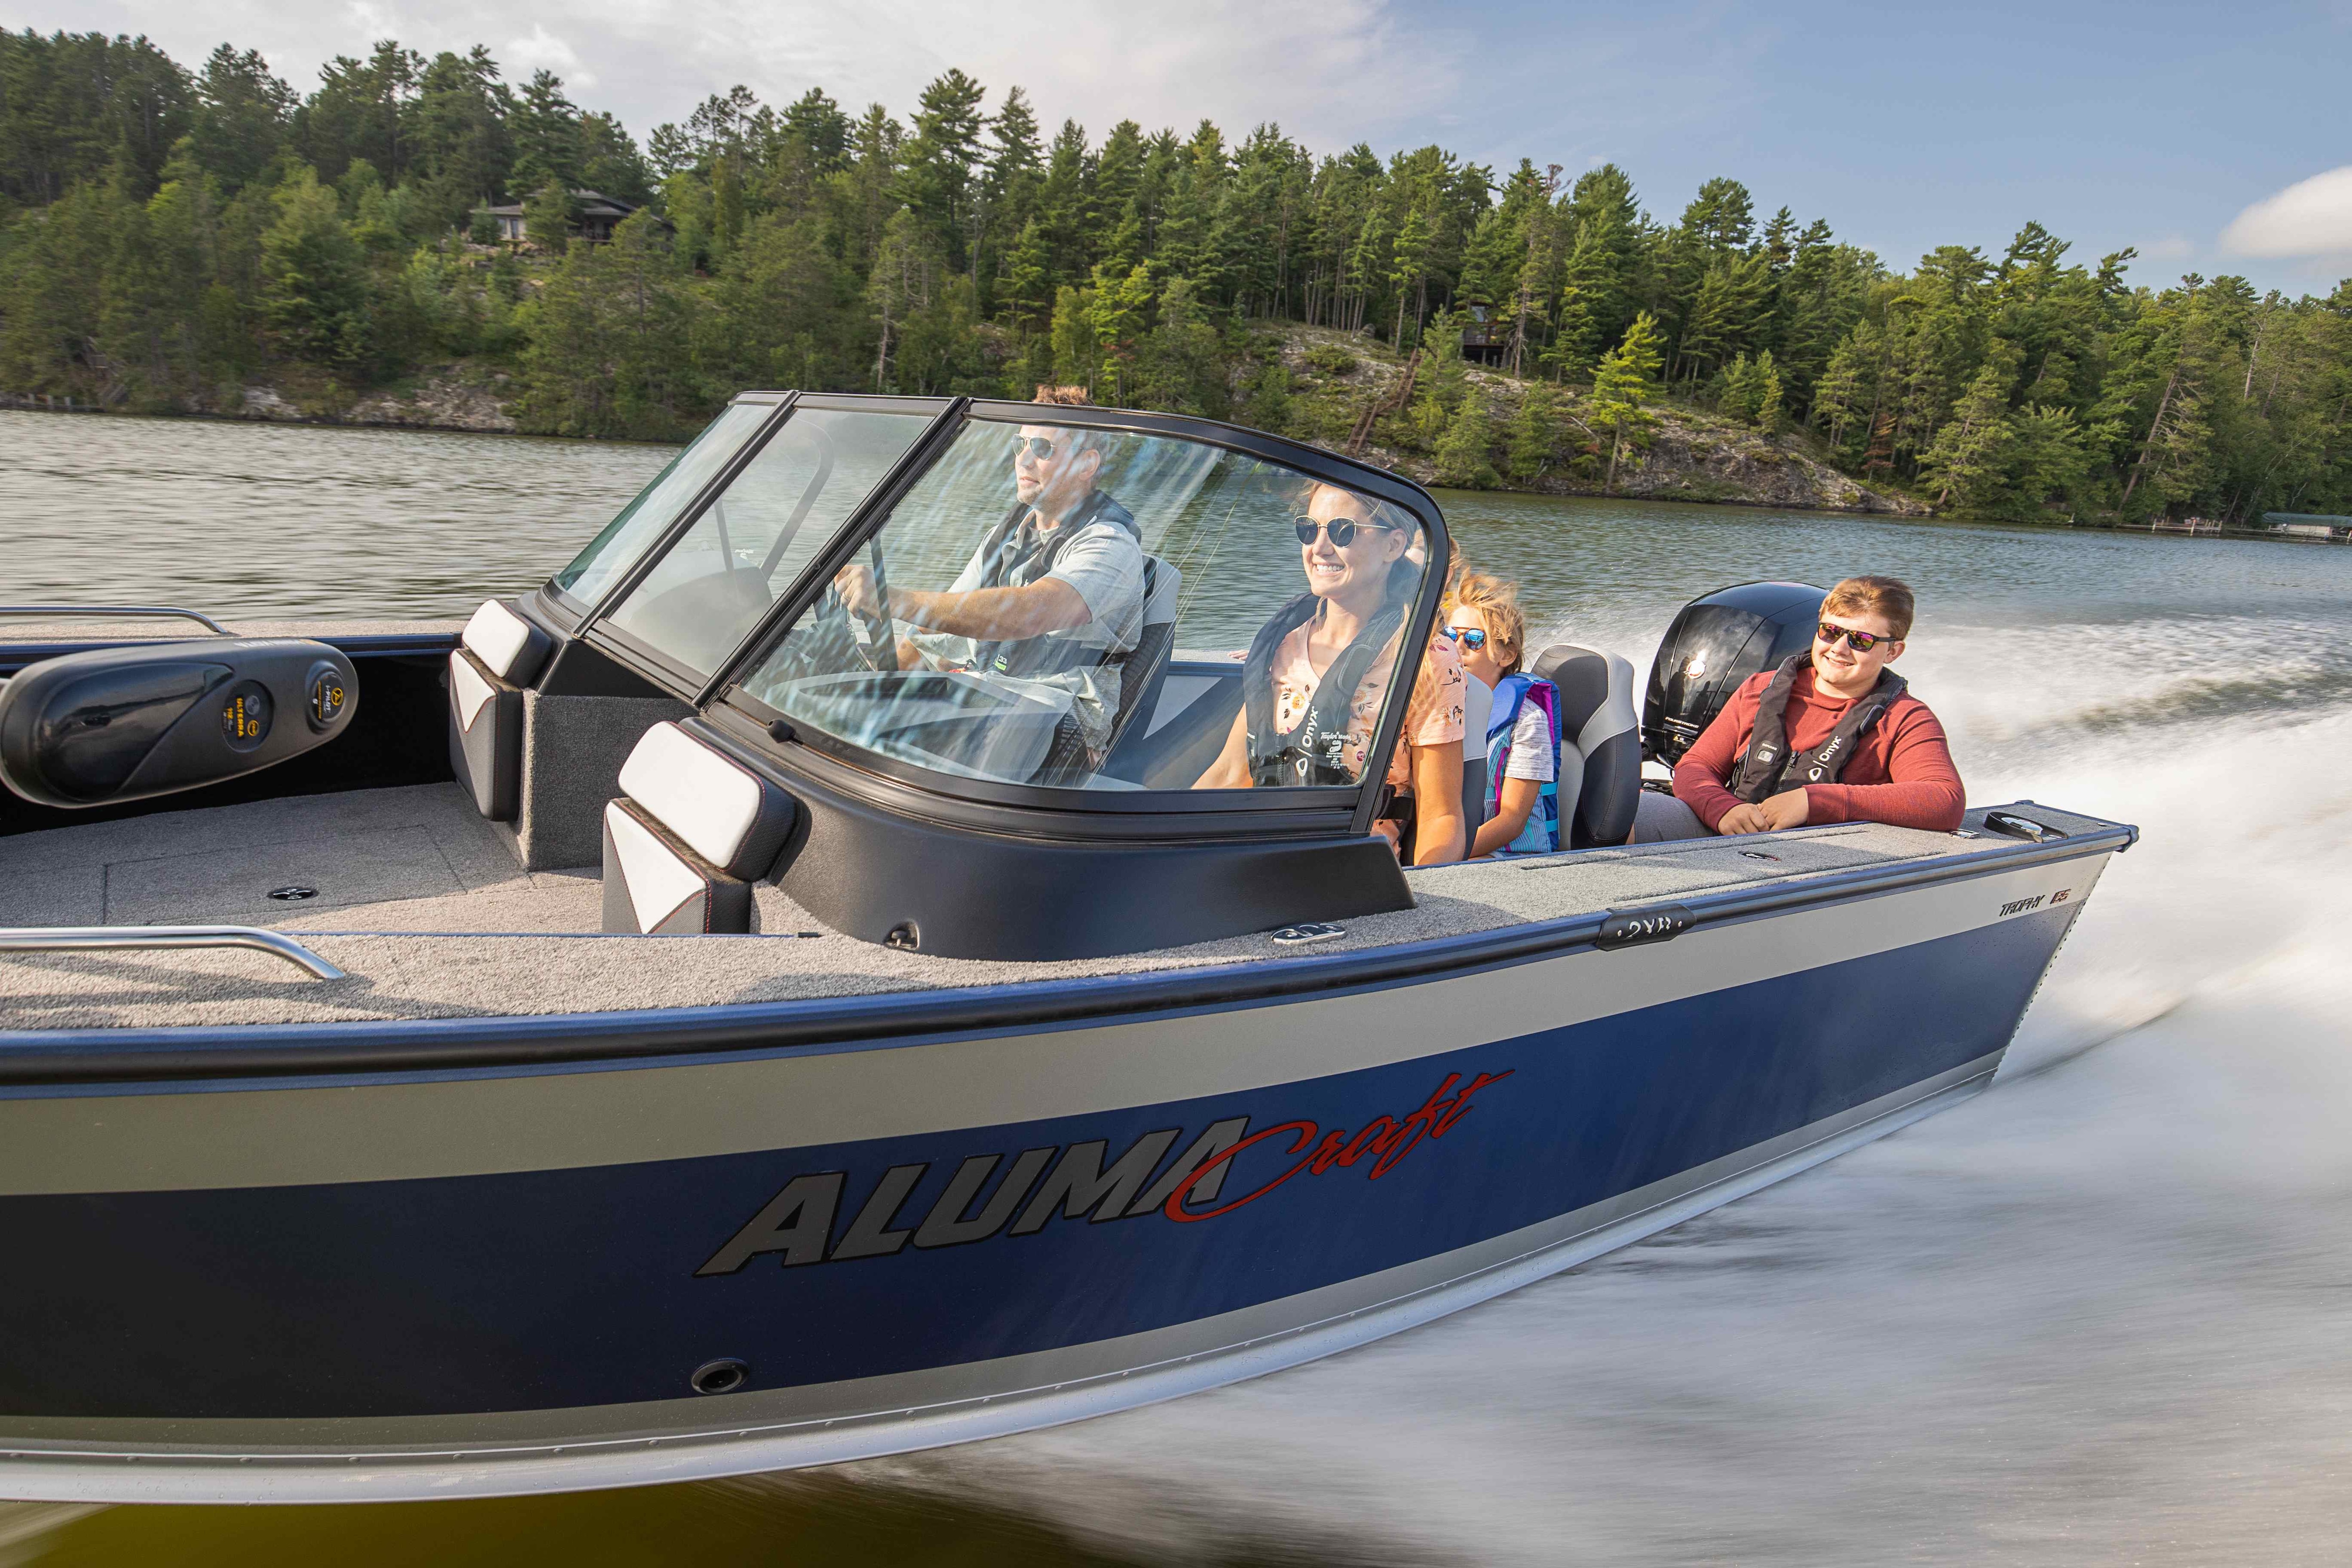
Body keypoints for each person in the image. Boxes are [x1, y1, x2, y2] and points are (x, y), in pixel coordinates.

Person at [835, 421, 1145, 761]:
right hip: (991, 699)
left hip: (1057, 726)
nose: (1024, 460)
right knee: (845, 714)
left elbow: (1030, 612)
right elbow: (936, 623)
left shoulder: (1109, 543)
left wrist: (890, 598)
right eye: (1019, 444)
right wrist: (871, 673)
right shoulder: (1007, 536)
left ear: (1087, 464)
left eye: (1042, 448)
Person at [1195, 483, 1467, 866]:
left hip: (1349, 875)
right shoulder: (1283, 645)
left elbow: (1442, 816)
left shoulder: (1426, 659)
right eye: (1309, 529)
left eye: (1342, 531)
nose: (1319, 548)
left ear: (1393, 546)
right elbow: (1229, 774)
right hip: (1257, 859)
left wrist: (1423, 908)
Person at [1635, 575, 1963, 840]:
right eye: (1831, 631)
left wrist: (1815, 802)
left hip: (1824, 855)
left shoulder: (1907, 718)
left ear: (1893, 652)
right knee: (1618, 818)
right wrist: (1723, 809)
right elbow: (1696, 767)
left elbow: (1943, 800)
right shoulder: (1759, 688)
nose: (1839, 648)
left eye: (1861, 640)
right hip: (1730, 828)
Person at [1446, 573, 1565, 858]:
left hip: (1509, 855)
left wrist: (1443, 857)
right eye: (1451, 635)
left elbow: (1511, 821)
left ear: (1507, 655)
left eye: (1474, 639)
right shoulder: (1432, 705)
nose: (1457, 648)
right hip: (1447, 841)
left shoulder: (1527, 720)